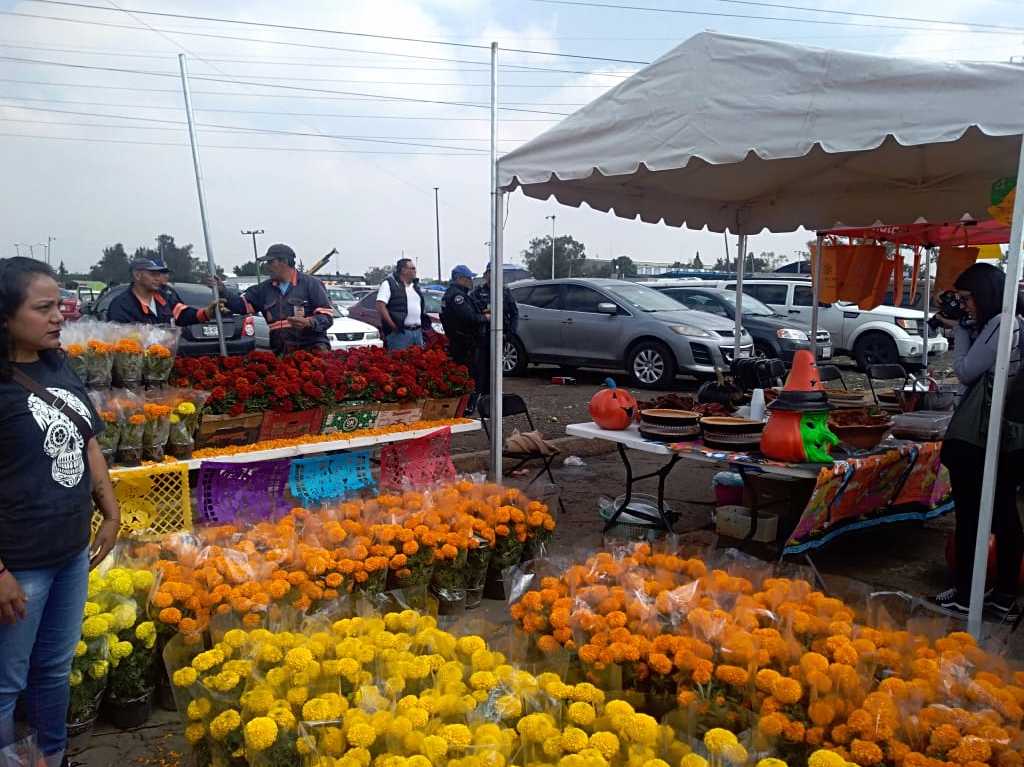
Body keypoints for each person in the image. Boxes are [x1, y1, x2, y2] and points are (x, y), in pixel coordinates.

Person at [0, 257, 120, 767]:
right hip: (19, 561)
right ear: (4, 316)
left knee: (53, 668)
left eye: (59, 306)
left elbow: (85, 436)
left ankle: (52, 756)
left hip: (70, 550)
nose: (58, 317)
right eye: (43, 307)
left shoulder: (56, 364)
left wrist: (109, 511)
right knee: (7, 683)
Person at [933, 262, 1024, 619]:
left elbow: (966, 371)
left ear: (985, 295)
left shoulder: (1001, 324)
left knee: (974, 514)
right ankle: (997, 594)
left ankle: (971, 594)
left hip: (980, 436)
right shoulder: (1015, 322)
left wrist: (960, 333)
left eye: (968, 298)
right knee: (1002, 512)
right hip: (1005, 434)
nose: (965, 305)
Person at [219, 244, 335, 354]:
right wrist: (223, 291)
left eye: (270, 262)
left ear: (284, 262)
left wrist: (309, 322)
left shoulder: (312, 284)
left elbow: (327, 317)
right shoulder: (263, 289)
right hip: (281, 355)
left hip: (312, 354)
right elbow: (241, 306)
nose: (267, 266)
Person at [106, 257, 220, 325]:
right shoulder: (121, 305)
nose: (158, 278)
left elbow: (183, 314)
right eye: (153, 274)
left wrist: (207, 312)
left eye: (159, 274)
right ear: (137, 275)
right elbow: (122, 339)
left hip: (164, 358)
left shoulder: (164, 298)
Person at [471, 264, 519, 397]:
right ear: (486, 275)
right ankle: (482, 395)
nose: (493, 276)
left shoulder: (504, 291)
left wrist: (511, 333)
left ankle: (496, 393)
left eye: (496, 273)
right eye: (490, 273)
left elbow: (514, 313)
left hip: (501, 335)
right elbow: (472, 313)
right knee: (482, 367)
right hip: (483, 336)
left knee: (497, 367)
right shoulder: (478, 292)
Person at [377, 258, 430, 351]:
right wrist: (393, 326)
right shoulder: (389, 284)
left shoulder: (415, 287)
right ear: (403, 270)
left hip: (417, 332)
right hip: (400, 333)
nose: (415, 271)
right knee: (399, 362)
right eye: (412, 268)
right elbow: (380, 305)